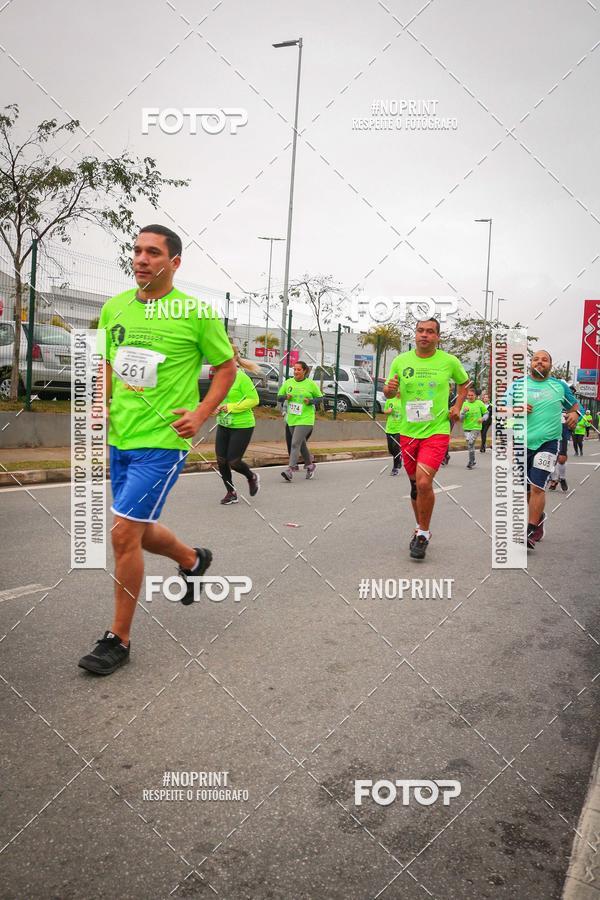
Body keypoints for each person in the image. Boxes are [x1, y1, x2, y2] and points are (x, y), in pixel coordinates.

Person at [78, 225, 236, 675]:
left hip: (164, 441)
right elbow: (108, 361)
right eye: (137, 250)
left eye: (152, 252)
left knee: (123, 534)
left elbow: (225, 368)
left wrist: (202, 414)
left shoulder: (195, 313)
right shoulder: (115, 307)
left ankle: (118, 639)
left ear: (174, 263)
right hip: (121, 437)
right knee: (139, 528)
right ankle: (192, 559)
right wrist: (99, 402)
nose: (141, 258)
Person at [384, 318, 469, 560]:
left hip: (437, 430)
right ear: (415, 334)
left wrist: (457, 406)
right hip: (408, 430)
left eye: (430, 332)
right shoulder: (401, 361)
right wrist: (388, 390)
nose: (424, 335)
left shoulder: (449, 361)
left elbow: (464, 384)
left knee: (423, 483)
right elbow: (390, 391)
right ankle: (421, 528)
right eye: (420, 331)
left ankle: (423, 534)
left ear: (437, 337)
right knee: (414, 485)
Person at [507, 349, 579, 549]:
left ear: (550, 365)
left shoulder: (559, 386)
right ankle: (538, 518)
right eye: (536, 359)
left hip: (548, 442)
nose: (540, 362)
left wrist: (575, 415)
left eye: (544, 360)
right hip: (522, 442)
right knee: (526, 489)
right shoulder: (518, 385)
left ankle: (530, 529)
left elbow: (574, 406)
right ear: (530, 363)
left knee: (538, 486)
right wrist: (516, 408)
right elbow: (500, 409)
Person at [215, 344, 261, 505]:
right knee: (221, 460)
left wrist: (231, 407)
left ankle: (251, 476)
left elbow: (254, 399)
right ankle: (231, 492)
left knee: (233, 461)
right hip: (223, 423)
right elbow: (216, 396)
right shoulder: (220, 376)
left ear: (234, 358)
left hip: (242, 425)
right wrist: (215, 406)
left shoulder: (242, 378)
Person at [278, 361, 322, 481]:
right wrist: (286, 397)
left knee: (295, 443)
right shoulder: (288, 383)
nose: (296, 372)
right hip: (292, 418)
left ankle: (290, 469)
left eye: (298, 370)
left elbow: (320, 398)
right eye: (295, 369)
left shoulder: (310, 384)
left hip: (306, 418)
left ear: (304, 371)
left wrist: (311, 401)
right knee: (301, 444)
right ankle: (310, 465)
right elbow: (279, 397)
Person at [461, 387, 488, 468]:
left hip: (476, 427)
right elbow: (461, 418)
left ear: (475, 396)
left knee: (470, 442)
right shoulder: (464, 404)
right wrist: (463, 412)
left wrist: (483, 418)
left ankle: (471, 461)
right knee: (470, 445)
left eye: (471, 395)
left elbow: (486, 413)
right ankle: (472, 461)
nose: (470, 397)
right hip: (466, 427)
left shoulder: (479, 403)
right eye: (468, 395)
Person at [548, 412, 570, 493]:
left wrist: (573, 415)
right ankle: (554, 479)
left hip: (561, 425)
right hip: (546, 424)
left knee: (561, 458)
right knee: (549, 456)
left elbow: (579, 409)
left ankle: (562, 478)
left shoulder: (566, 399)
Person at [383, 390, 403, 475]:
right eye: (397, 390)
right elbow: (385, 411)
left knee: (395, 447)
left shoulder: (405, 401)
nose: (398, 391)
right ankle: (399, 458)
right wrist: (389, 411)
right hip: (390, 428)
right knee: (391, 449)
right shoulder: (390, 400)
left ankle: (395, 468)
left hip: (400, 429)